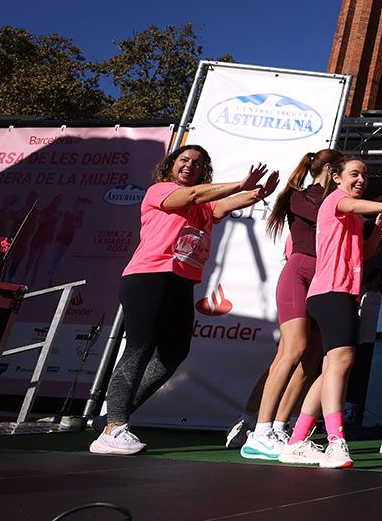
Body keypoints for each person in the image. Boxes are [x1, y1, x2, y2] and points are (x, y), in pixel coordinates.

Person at [90, 146, 279, 455]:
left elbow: (222, 206)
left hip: (180, 282)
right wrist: (240, 184)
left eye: (198, 163)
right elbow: (191, 197)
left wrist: (257, 193)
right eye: (184, 160)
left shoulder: (204, 208)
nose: (190, 165)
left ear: (204, 171)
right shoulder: (160, 191)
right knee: (140, 348)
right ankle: (113, 428)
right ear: (171, 165)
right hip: (147, 277)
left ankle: (113, 416)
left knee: (173, 353)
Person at [279, 158, 382, 470]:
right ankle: (335, 441)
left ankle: (296, 441)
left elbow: (363, 255)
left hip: (338, 293)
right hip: (331, 292)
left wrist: (375, 234)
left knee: (332, 367)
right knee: (341, 362)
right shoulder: (336, 200)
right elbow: (355, 207)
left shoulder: (351, 215)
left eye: (365, 175)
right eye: (354, 174)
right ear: (337, 177)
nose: (361, 179)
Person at [238, 149, 342, 461]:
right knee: (292, 350)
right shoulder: (301, 197)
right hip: (299, 273)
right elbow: (326, 219)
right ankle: (259, 431)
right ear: (330, 170)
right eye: (348, 172)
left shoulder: (338, 203)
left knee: (310, 358)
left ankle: (279, 428)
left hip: (325, 279)